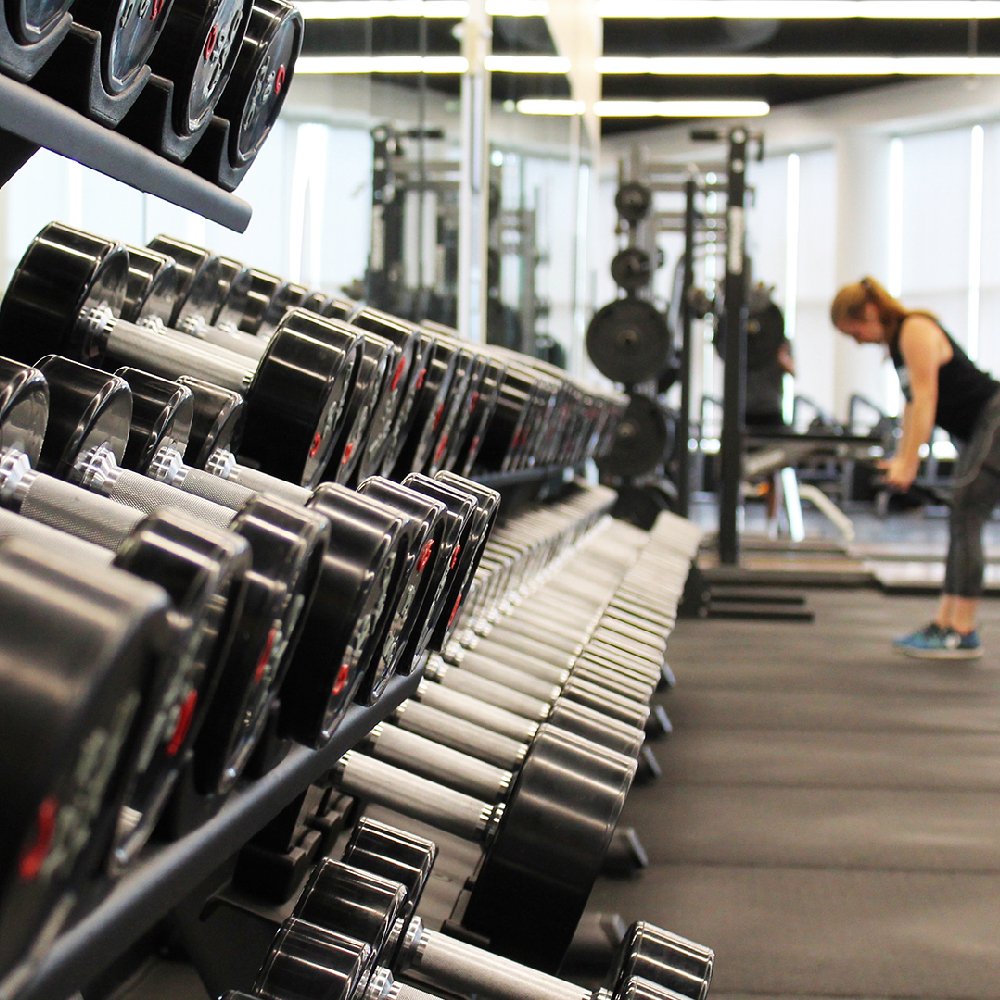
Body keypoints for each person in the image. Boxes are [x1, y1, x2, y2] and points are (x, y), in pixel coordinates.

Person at [831, 276, 1000, 659]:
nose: (855, 338)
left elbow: (926, 399)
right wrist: (903, 457)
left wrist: (910, 462)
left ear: (871, 312)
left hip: (994, 420)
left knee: (968, 512)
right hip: (978, 430)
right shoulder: (898, 345)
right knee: (962, 515)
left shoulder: (915, 329)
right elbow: (911, 407)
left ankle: (962, 628)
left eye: (854, 329)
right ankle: (946, 622)